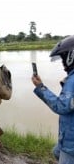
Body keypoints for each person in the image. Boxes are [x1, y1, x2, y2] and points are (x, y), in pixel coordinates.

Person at [31, 35, 74, 164]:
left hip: (71, 144)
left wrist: (40, 87)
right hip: (67, 137)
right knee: (56, 152)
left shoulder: (72, 80)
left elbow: (62, 106)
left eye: (63, 58)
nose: (62, 62)